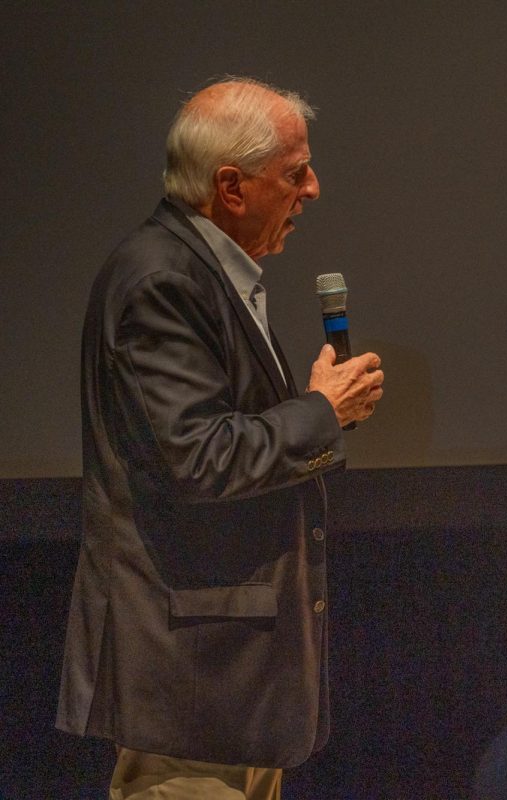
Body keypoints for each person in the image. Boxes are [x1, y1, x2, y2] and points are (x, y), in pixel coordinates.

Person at [57, 77, 384, 799]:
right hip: (191, 683)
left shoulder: (208, 271)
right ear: (231, 187)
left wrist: (320, 411)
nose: (314, 189)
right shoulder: (162, 279)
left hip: (226, 686)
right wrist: (321, 413)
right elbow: (195, 457)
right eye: (295, 173)